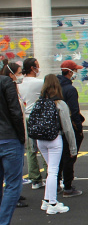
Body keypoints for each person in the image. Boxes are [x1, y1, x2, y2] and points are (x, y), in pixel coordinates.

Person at [35, 75, 76, 215]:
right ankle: (52, 203)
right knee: (53, 171)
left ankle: (47, 200)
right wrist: (73, 147)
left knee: (50, 170)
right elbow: (68, 128)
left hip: (40, 139)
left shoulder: (39, 102)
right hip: (54, 138)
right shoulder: (60, 104)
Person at [0, 67, 26, 225]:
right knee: (13, 186)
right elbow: (15, 112)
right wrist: (21, 136)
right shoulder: (6, 82)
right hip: (8, 138)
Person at [56, 60, 84, 198]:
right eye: (75, 70)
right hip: (68, 126)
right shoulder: (70, 90)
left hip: (56, 127)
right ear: (70, 72)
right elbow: (74, 111)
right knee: (70, 155)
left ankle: (56, 184)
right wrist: (79, 128)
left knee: (58, 159)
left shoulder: (55, 87)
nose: (76, 73)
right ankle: (68, 186)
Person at [18, 58, 44, 190]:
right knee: (45, 146)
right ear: (33, 68)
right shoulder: (40, 82)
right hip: (38, 117)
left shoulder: (19, 83)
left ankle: (35, 179)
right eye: (37, 66)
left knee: (30, 149)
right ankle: (52, 176)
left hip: (26, 117)